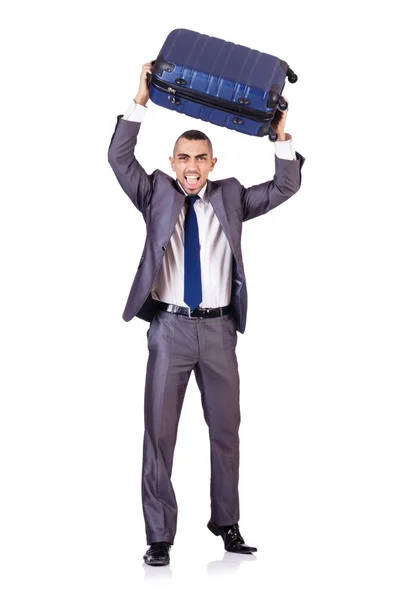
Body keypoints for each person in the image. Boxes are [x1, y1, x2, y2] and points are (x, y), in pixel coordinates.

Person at [108, 62, 305, 567]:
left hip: (219, 332)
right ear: (172, 162)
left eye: (200, 158)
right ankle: (159, 536)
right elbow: (118, 156)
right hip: (169, 330)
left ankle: (227, 523)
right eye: (183, 158)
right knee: (159, 433)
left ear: (212, 163)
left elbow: (284, 187)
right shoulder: (154, 193)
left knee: (225, 430)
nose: (192, 166)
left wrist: (280, 138)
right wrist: (142, 100)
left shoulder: (232, 196)